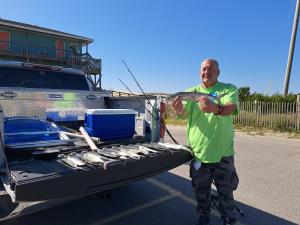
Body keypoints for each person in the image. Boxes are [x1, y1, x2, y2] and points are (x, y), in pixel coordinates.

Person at [172, 58, 239, 225]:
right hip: (199, 154)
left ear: (218, 72)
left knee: (226, 191)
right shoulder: (191, 92)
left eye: (210, 69)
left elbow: (231, 107)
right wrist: (179, 110)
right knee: (201, 190)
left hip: (223, 153)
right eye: (203, 69)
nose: (206, 72)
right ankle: (204, 214)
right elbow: (185, 114)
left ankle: (228, 218)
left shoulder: (227, 89)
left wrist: (216, 108)